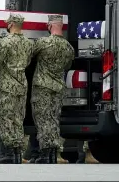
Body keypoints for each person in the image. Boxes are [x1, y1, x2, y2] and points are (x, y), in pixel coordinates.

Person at [0, 13, 34, 164]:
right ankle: (17, 152)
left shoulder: (5, 42)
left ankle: (8, 153)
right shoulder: (28, 43)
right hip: (21, 85)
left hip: (6, 86)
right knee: (18, 119)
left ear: (11, 24)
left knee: (6, 119)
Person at [31, 14, 74, 164]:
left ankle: (45, 153)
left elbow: (29, 56)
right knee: (54, 119)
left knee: (43, 120)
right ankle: (53, 153)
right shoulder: (69, 48)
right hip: (58, 87)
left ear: (49, 26)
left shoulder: (43, 43)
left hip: (42, 86)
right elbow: (67, 66)